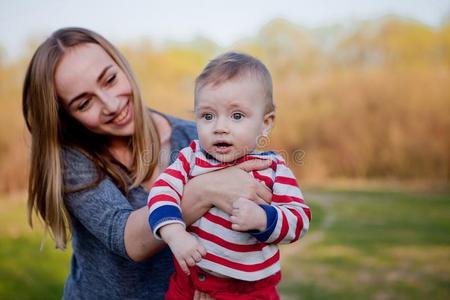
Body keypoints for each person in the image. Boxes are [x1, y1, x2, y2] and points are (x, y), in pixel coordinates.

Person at [22, 28, 273, 300]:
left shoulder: (197, 137)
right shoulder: (73, 160)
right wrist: (204, 191)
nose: (111, 104)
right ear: (67, 117)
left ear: (122, 66)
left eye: (109, 80)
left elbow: (250, 228)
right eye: (84, 103)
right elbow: (127, 237)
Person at [147, 52, 312, 299]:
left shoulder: (272, 168)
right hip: (189, 282)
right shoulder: (190, 158)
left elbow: (299, 219)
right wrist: (175, 234)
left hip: (249, 290)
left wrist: (264, 218)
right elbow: (161, 193)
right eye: (207, 115)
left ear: (266, 123)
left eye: (236, 116)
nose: (220, 127)